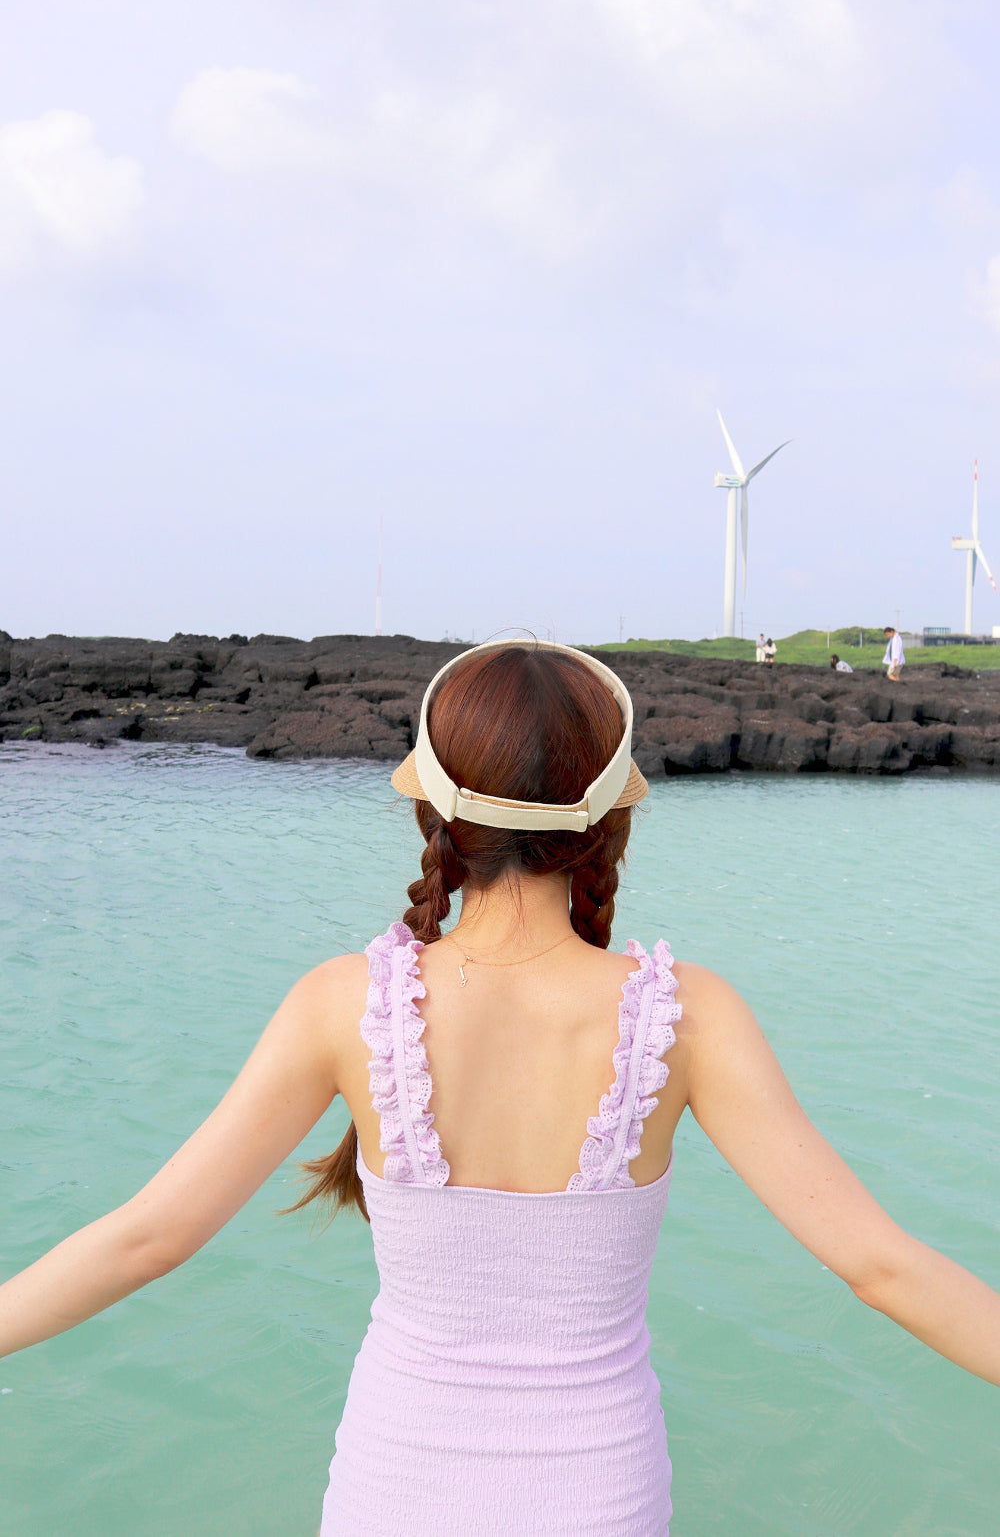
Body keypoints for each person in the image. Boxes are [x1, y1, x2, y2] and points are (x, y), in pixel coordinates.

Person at [2, 639, 999, 1537]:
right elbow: (882, 1268)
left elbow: (146, 1239)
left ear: (431, 804)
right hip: (597, 1500)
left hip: (393, 1495)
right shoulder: (688, 1013)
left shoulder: (341, 1001)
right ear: (613, 809)